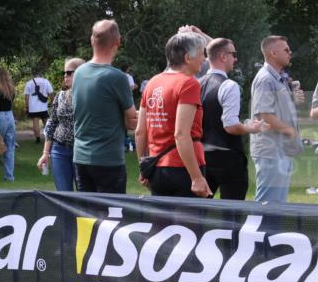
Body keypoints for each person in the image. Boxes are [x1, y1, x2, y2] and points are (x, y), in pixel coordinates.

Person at [136, 32, 211, 198]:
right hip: (183, 168)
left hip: (157, 167)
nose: (204, 59)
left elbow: (140, 131)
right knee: (189, 216)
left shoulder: (152, 82)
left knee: (160, 216)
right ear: (188, 57)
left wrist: (144, 167)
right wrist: (197, 177)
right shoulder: (189, 83)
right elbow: (181, 134)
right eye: (202, 54)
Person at [71, 20, 138, 194]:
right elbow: (132, 121)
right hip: (108, 160)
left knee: (86, 210)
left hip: (81, 157)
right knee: (111, 211)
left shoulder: (79, 73)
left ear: (92, 41)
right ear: (118, 42)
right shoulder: (117, 77)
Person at [199, 37, 266, 200]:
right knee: (232, 211)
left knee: (198, 209)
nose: (235, 59)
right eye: (233, 54)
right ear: (223, 57)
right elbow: (230, 126)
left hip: (200, 155)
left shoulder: (195, 84)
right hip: (228, 157)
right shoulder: (229, 85)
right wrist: (251, 128)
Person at [250, 35, 305, 203]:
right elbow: (263, 115)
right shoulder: (265, 79)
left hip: (280, 149)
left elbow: (278, 110)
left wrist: (293, 100)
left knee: (276, 205)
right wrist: (289, 130)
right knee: (267, 204)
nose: (290, 52)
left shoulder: (278, 78)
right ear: (273, 53)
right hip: (271, 151)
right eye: (286, 50)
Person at [37, 58, 84, 191]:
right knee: (63, 194)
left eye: (69, 73)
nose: (65, 76)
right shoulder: (60, 96)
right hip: (59, 150)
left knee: (85, 194)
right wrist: (45, 153)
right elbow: (52, 124)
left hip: (82, 152)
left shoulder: (89, 96)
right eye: (64, 73)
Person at [24, 70, 54, 143]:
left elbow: (27, 96)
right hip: (43, 106)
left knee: (35, 121)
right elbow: (51, 93)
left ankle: (37, 139)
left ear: (34, 76)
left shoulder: (29, 82)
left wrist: (27, 106)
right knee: (46, 121)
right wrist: (53, 103)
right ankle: (49, 138)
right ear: (41, 75)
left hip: (33, 107)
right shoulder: (46, 81)